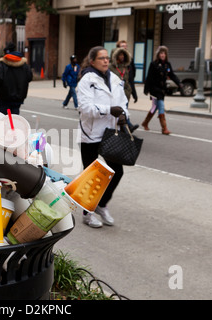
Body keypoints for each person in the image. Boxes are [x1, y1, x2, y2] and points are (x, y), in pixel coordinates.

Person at [77, 46, 128, 228]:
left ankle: (102, 204)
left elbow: (123, 102)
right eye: (101, 58)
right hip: (90, 134)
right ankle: (87, 213)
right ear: (92, 61)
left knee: (117, 171)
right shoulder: (86, 80)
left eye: (107, 58)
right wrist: (109, 110)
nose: (106, 61)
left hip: (110, 133)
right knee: (92, 176)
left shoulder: (114, 79)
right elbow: (85, 108)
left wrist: (123, 115)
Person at [142, 45, 183, 135]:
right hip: (154, 89)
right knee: (161, 106)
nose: (163, 55)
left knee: (154, 107)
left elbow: (172, 75)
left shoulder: (167, 65)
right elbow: (149, 77)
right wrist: (146, 89)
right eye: (161, 53)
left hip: (162, 89)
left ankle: (145, 123)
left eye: (164, 53)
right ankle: (164, 128)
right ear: (158, 54)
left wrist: (179, 83)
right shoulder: (153, 64)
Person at [0, 42, 33, 115]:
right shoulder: (24, 65)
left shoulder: (2, 65)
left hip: (4, 96)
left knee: (3, 116)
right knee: (15, 115)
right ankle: (14, 125)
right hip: (18, 96)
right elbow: (29, 77)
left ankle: (5, 126)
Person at [109, 46, 138, 132]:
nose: (122, 57)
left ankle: (126, 128)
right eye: (120, 55)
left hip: (125, 93)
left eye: (123, 55)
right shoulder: (110, 67)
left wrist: (132, 92)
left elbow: (129, 80)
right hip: (115, 93)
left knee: (124, 111)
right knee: (121, 112)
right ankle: (127, 127)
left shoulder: (125, 67)